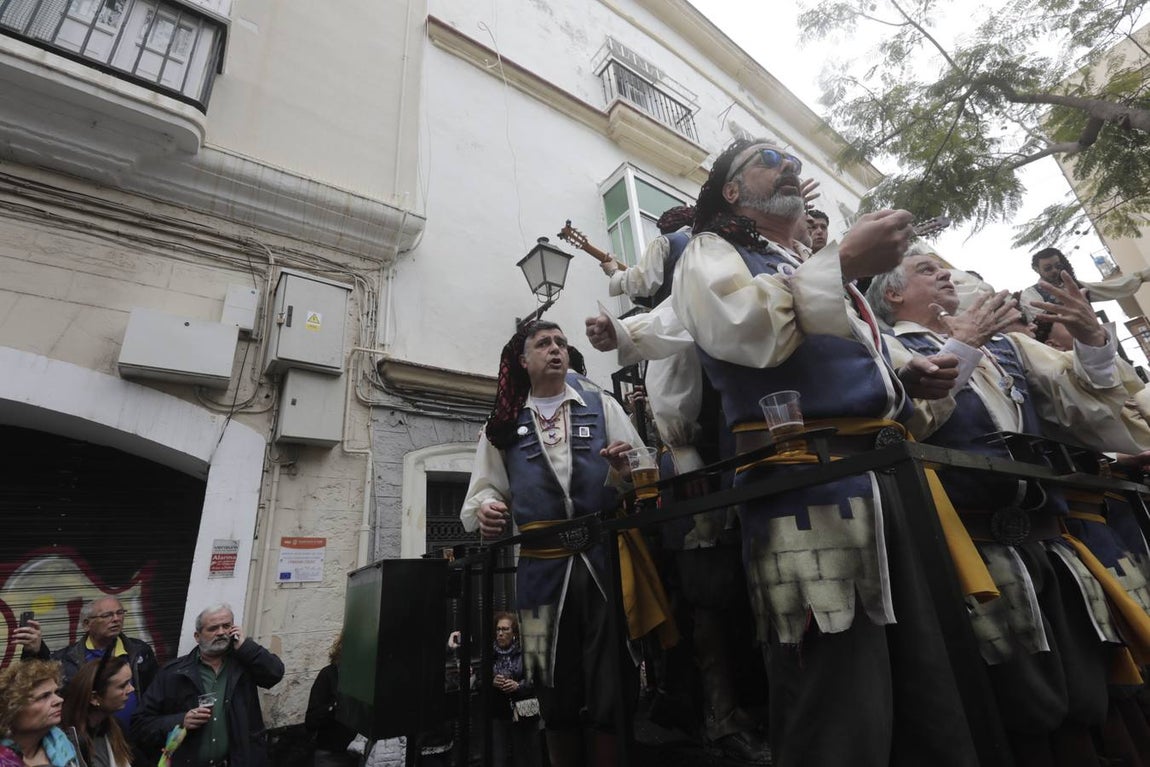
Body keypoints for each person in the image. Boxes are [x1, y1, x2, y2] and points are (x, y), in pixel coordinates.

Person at [666, 137, 980, 767]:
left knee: (927, 677)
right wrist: (840, 264)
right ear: (731, 192)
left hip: (886, 479)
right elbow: (737, 328)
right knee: (834, 696)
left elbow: (865, 360)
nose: (787, 165)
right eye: (765, 158)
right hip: (806, 487)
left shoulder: (805, 262)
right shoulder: (708, 250)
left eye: (792, 158)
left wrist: (907, 375)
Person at [868, 252, 1150, 764]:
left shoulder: (1009, 346)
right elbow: (904, 421)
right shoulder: (885, 348)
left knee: (1093, 680)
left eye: (944, 267)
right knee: (1019, 693)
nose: (945, 274)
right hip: (970, 549)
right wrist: (964, 344)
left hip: (1050, 537)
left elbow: (1084, 409)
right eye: (927, 270)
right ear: (892, 294)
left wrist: (1090, 339)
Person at [460, 320, 664, 767]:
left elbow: (641, 467)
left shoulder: (601, 404)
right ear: (523, 359)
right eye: (544, 343)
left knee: (612, 672)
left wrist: (625, 470)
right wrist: (488, 510)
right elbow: (483, 491)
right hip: (540, 571)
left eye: (561, 343)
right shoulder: (502, 423)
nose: (556, 349)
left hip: (602, 560)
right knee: (550, 678)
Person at [132, 603, 284, 767]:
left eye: (226, 626)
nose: (221, 632)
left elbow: (274, 674)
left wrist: (246, 646)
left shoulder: (244, 663)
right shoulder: (172, 673)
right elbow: (141, 725)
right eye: (213, 628)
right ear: (197, 636)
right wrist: (181, 720)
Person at [52, 597, 157, 737]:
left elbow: (153, 697)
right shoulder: (65, 660)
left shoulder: (140, 652)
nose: (116, 619)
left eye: (120, 613)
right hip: (91, 740)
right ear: (86, 624)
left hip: (136, 740)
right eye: (107, 615)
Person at [0, 659, 81, 766]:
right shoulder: (3, 758)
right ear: (12, 709)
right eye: (44, 696)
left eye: (56, 692)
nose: (59, 700)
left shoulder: (65, 745)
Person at [60, 654, 136, 767]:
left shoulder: (114, 727)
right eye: (123, 686)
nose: (131, 689)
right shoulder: (68, 742)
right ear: (94, 698)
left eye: (130, 683)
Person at [488, 613, 540, 767]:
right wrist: (492, 681)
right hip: (499, 711)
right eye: (498, 629)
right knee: (499, 757)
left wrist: (518, 686)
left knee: (523, 756)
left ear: (515, 633)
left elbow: (535, 679)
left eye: (505, 629)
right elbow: (479, 679)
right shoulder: (490, 653)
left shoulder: (524, 653)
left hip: (523, 712)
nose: (500, 633)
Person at [305, 633, 357, 767]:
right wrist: (334, 707)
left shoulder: (365, 678)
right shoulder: (328, 675)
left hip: (359, 753)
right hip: (332, 755)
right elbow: (311, 720)